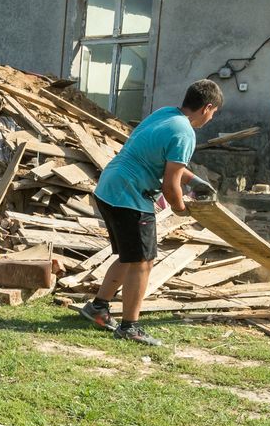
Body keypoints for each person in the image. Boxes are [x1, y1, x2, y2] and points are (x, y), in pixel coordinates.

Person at [77, 79, 223, 346]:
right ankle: (129, 326)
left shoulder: (166, 114)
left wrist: (195, 182)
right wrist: (182, 209)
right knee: (143, 262)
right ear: (207, 107)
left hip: (110, 188)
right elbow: (170, 185)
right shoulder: (185, 133)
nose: (211, 119)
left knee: (130, 256)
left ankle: (98, 307)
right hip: (129, 197)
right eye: (213, 113)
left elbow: (164, 162)